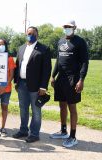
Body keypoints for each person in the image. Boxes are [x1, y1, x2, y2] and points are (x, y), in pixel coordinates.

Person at [49, 20, 89, 148]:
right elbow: (58, 60)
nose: (67, 29)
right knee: (62, 105)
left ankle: (73, 137)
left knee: (72, 108)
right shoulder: (60, 41)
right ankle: (63, 131)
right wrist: (53, 75)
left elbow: (85, 62)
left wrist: (81, 79)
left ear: (75, 28)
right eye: (65, 27)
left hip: (73, 78)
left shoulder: (80, 42)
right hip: (61, 78)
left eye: (69, 27)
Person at [13, 26, 51, 143]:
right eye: (29, 33)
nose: (30, 35)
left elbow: (47, 70)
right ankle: (23, 130)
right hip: (21, 83)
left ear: (37, 35)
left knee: (36, 110)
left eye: (33, 33)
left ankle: (34, 134)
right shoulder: (21, 48)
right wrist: (15, 81)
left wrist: (43, 87)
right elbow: (17, 65)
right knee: (23, 108)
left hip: (36, 86)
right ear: (26, 35)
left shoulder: (44, 49)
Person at [0, 38, 16, 138]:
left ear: (6, 46)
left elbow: (11, 74)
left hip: (7, 88)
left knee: (4, 107)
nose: (1, 46)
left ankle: (3, 128)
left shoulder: (9, 58)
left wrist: (4, 86)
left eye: (3, 44)